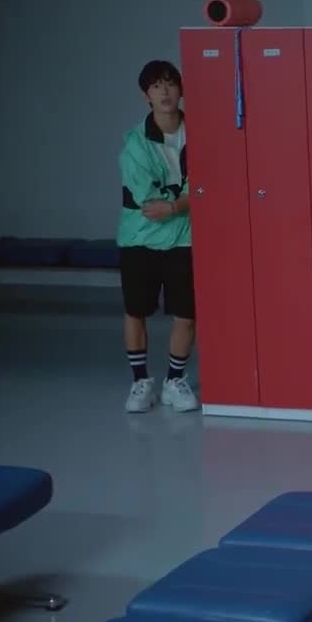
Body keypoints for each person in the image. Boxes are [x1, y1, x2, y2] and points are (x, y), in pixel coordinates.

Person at [118, 59, 199, 413]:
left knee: (186, 313)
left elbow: (207, 181)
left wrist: (176, 205)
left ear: (181, 89)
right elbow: (147, 199)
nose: (164, 92)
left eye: (170, 83)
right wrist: (184, 201)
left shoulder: (199, 133)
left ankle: (174, 381)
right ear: (145, 96)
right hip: (140, 238)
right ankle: (140, 382)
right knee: (136, 311)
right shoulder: (135, 142)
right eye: (155, 86)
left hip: (184, 238)